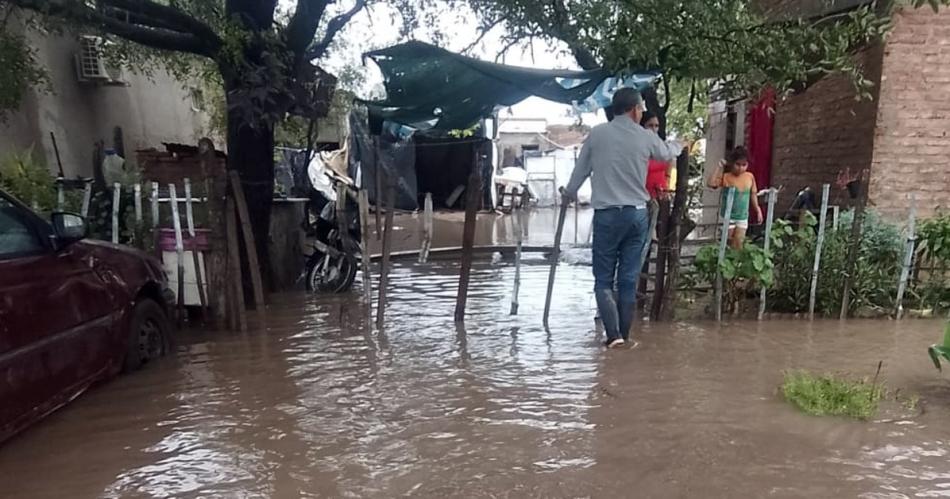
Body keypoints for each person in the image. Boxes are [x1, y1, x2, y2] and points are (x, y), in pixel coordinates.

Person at [563, 88, 683, 349]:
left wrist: (568, 194)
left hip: (606, 216)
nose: (641, 114)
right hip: (635, 215)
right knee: (628, 278)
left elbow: (580, 171)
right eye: (640, 110)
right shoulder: (644, 136)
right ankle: (625, 338)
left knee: (603, 280)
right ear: (634, 109)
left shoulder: (597, 134)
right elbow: (665, 152)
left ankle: (614, 336)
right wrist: (679, 144)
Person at [707, 146, 762, 249]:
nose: (740, 168)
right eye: (737, 164)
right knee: (728, 242)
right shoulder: (726, 177)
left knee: (739, 243)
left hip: (742, 216)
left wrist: (757, 209)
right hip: (728, 216)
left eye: (744, 165)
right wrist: (718, 167)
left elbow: (753, 194)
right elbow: (711, 183)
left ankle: (737, 264)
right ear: (732, 163)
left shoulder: (749, 177)